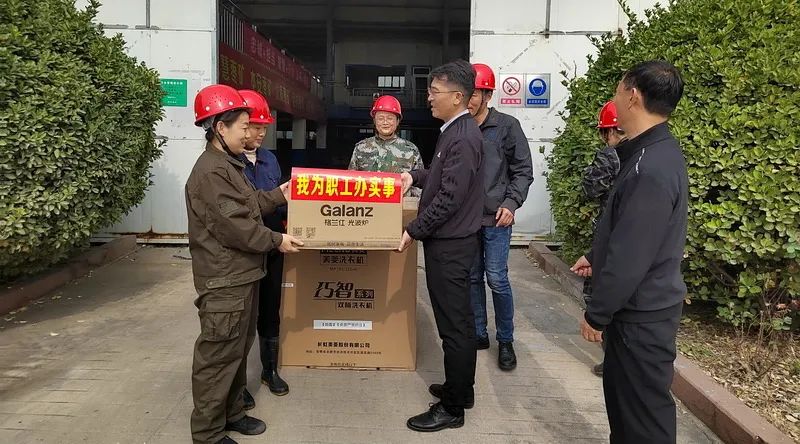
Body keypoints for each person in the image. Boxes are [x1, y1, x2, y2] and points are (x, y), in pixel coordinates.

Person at [571, 60, 687, 444]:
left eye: (619, 91)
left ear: (633, 96)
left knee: (642, 423)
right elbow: (631, 231)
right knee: (626, 415)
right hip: (638, 312)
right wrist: (596, 257)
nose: (615, 99)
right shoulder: (647, 154)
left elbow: (631, 256)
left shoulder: (649, 166)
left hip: (640, 318)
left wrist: (597, 313)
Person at [186, 84, 303, 444]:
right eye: (243, 127)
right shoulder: (210, 172)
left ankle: (233, 412)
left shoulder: (228, 164)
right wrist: (277, 240)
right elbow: (236, 227)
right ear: (220, 128)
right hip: (224, 279)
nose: (249, 133)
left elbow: (249, 204)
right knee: (219, 356)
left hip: (242, 275)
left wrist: (279, 194)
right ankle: (208, 433)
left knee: (237, 350)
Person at [398, 59, 483, 432]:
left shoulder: (462, 137)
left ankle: (452, 408)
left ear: (458, 96)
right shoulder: (455, 131)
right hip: (450, 243)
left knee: (454, 327)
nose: (429, 98)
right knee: (457, 322)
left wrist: (414, 229)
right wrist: (415, 175)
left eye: (434, 92)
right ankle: (460, 389)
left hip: (451, 246)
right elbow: (443, 177)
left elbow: (449, 197)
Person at [466, 63, 534, 371]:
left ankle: (505, 340)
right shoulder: (460, 127)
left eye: (474, 93)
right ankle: (479, 332)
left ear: (487, 95)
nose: (468, 99)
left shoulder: (507, 126)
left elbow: (523, 170)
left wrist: (511, 202)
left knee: (496, 278)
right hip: (467, 220)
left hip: (496, 219)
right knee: (472, 278)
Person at [236, 90, 290, 401]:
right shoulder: (230, 164)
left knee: (270, 310)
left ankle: (270, 370)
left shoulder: (270, 159)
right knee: (243, 318)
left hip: (273, 245)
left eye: (264, 128)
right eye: (255, 126)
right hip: (245, 250)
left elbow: (280, 202)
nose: (260, 133)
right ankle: (238, 383)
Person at [579, 100, 626, 377]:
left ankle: (612, 360)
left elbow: (589, 189)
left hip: (609, 236)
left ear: (608, 132)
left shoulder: (610, 156)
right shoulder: (647, 154)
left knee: (602, 292)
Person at [349, 95, 424, 196]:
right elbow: (351, 182)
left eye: (390, 118)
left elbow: (419, 186)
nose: (385, 122)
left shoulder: (411, 150)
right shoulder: (361, 148)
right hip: (369, 203)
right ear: (374, 121)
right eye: (380, 118)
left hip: (400, 204)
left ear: (397, 121)